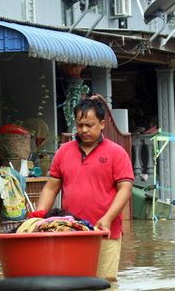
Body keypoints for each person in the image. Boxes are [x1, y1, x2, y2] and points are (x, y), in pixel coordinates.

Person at [36, 94, 134, 281]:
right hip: (70, 230)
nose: (84, 130)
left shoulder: (116, 153)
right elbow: (50, 188)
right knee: (73, 283)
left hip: (105, 231)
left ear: (102, 124)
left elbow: (125, 190)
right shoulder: (63, 151)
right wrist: (39, 216)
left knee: (106, 284)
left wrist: (107, 218)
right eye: (80, 125)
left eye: (90, 125)